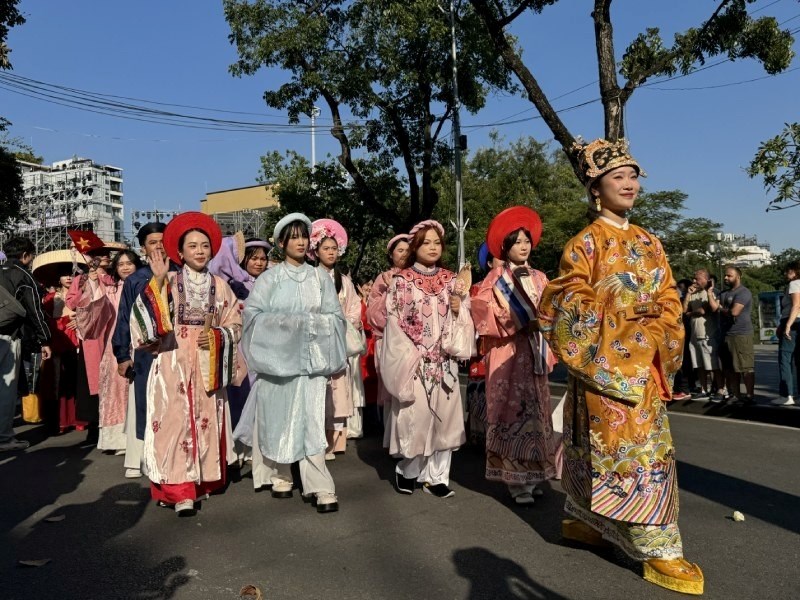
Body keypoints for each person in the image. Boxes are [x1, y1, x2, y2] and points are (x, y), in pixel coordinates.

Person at [538, 138, 703, 595]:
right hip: (606, 364)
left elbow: (670, 296)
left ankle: (590, 521)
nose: (629, 184)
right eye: (619, 177)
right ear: (596, 188)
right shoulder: (583, 244)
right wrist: (625, 317)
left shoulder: (651, 240)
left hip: (643, 361)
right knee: (618, 447)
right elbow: (569, 303)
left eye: (633, 176)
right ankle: (653, 545)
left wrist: (657, 325)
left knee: (639, 446)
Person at [130, 212, 241, 516]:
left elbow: (235, 322)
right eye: (192, 246)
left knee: (205, 422)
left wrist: (218, 336)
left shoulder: (220, 286)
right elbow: (144, 324)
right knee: (174, 426)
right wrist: (157, 280)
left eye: (204, 245)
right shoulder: (167, 282)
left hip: (206, 363)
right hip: (172, 364)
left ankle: (202, 480)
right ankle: (180, 491)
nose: (200, 251)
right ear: (179, 252)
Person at [235, 213, 346, 513]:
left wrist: (309, 326)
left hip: (311, 365)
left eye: (303, 236)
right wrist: (295, 325)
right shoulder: (270, 278)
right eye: (293, 236)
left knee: (311, 423)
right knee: (279, 419)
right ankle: (280, 473)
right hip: (277, 367)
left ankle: (319, 485)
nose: (299, 241)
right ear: (282, 242)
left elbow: (336, 319)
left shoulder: (320, 277)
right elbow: (253, 318)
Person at [381, 220, 474, 499]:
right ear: (415, 247)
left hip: (445, 360)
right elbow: (394, 321)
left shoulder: (451, 280)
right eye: (426, 242)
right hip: (415, 360)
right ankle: (408, 470)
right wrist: (414, 352)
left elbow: (465, 317)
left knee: (445, 419)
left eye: (437, 242)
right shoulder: (402, 280)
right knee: (416, 416)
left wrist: (459, 309)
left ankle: (437, 477)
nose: (432, 248)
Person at [471, 207, 557, 505]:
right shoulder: (494, 280)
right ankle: (514, 482)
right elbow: (481, 314)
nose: (523, 245)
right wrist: (514, 320)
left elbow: (552, 311)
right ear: (505, 247)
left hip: (533, 351)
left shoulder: (542, 277)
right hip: (507, 352)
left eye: (526, 240)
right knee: (510, 412)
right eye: (517, 241)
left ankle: (533, 476)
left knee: (536, 413)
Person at [112, 222, 171, 478]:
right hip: (146, 354)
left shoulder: (182, 272)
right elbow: (124, 318)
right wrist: (122, 355)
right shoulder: (135, 279)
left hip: (177, 351)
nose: (158, 246)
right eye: (152, 242)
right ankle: (145, 457)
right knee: (145, 405)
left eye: (162, 241)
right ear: (143, 248)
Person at [71, 248, 142, 452]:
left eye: (129, 263)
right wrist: (93, 282)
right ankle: (118, 440)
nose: (125, 267)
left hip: (141, 342)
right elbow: (97, 306)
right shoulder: (112, 288)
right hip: (118, 344)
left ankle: (138, 437)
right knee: (117, 391)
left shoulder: (146, 285)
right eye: (121, 264)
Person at [310, 218, 362, 456]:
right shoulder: (309, 278)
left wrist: (344, 323)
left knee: (339, 390)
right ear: (316, 251)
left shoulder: (345, 281)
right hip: (316, 342)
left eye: (333, 249)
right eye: (325, 249)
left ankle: (335, 440)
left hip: (338, 341)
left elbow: (354, 308)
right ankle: (318, 440)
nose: (330, 253)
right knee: (319, 391)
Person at [0, 237, 51, 451]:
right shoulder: (23, 275)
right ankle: (4, 438)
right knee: (6, 388)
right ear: (25, 256)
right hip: (9, 335)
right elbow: (34, 311)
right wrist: (45, 339)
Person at [35, 251, 88, 434]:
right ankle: (60, 420)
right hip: (57, 342)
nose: (69, 278)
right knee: (57, 382)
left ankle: (79, 418)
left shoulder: (84, 295)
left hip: (78, 342)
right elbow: (46, 321)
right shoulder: (50, 299)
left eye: (73, 275)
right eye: (65, 275)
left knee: (77, 381)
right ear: (58, 278)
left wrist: (80, 319)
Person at [366, 233, 410, 445]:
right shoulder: (382, 279)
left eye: (407, 250)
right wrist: (390, 290)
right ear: (391, 255)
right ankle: (393, 440)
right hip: (390, 343)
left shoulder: (416, 275)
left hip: (414, 344)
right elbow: (373, 314)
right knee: (393, 391)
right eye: (399, 250)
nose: (404, 254)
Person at [682, 268, 722, 400]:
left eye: (697, 279)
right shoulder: (693, 293)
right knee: (699, 364)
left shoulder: (708, 293)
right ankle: (704, 389)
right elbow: (684, 310)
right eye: (694, 278)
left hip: (707, 334)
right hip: (694, 334)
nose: (694, 281)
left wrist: (691, 313)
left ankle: (719, 389)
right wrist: (688, 295)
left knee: (712, 365)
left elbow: (703, 310)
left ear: (706, 279)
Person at [718, 266, 755, 403]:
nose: (726, 278)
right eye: (725, 276)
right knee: (730, 368)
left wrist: (721, 309)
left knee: (746, 367)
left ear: (738, 277)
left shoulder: (744, 292)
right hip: (727, 334)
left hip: (741, 334)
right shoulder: (724, 293)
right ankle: (736, 395)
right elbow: (714, 307)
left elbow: (734, 312)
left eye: (729, 276)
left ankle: (750, 396)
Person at [772, 260, 800, 406]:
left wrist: (787, 325)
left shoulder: (794, 284)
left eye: (789, 271)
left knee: (785, 358)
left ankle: (787, 394)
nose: (786, 273)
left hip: (793, 322)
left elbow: (796, 305)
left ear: (795, 272)